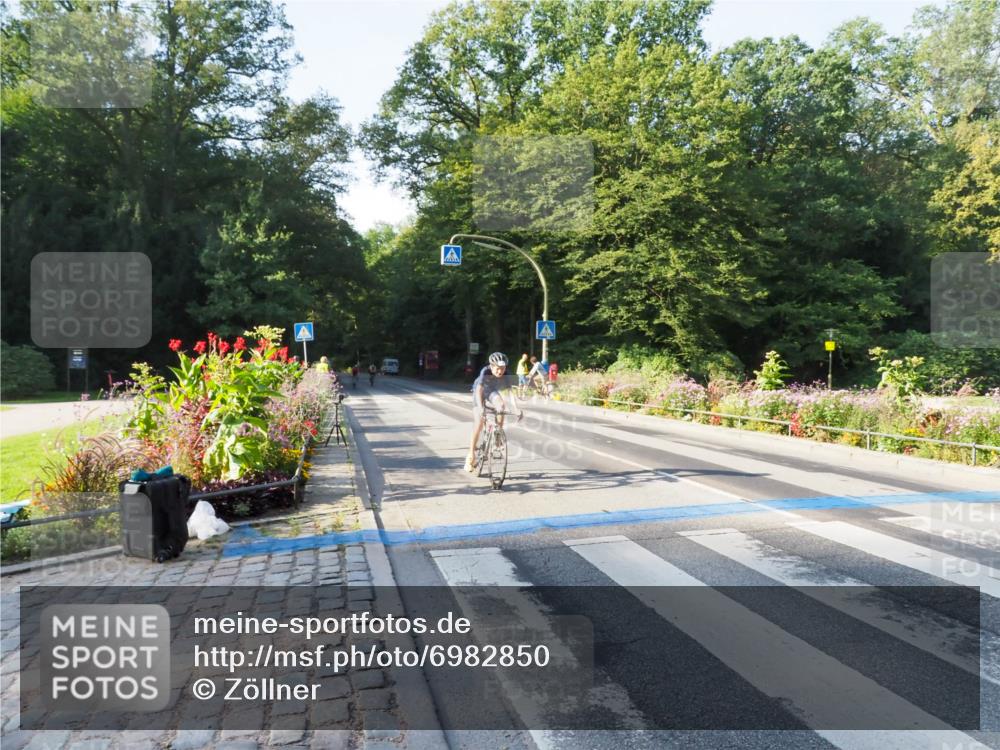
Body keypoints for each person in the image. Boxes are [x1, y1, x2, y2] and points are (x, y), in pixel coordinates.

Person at [465, 352, 521, 473]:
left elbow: (510, 392)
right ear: (491, 366)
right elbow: (479, 390)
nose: (500, 371)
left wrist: (516, 409)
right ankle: (471, 455)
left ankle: (497, 435)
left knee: (501, 406)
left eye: (503, 368)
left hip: (491, 391)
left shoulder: (506, 373)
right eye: (497, 368)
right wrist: (481, 408)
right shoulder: (485, 371)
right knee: (479, 423)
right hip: (479, 392)